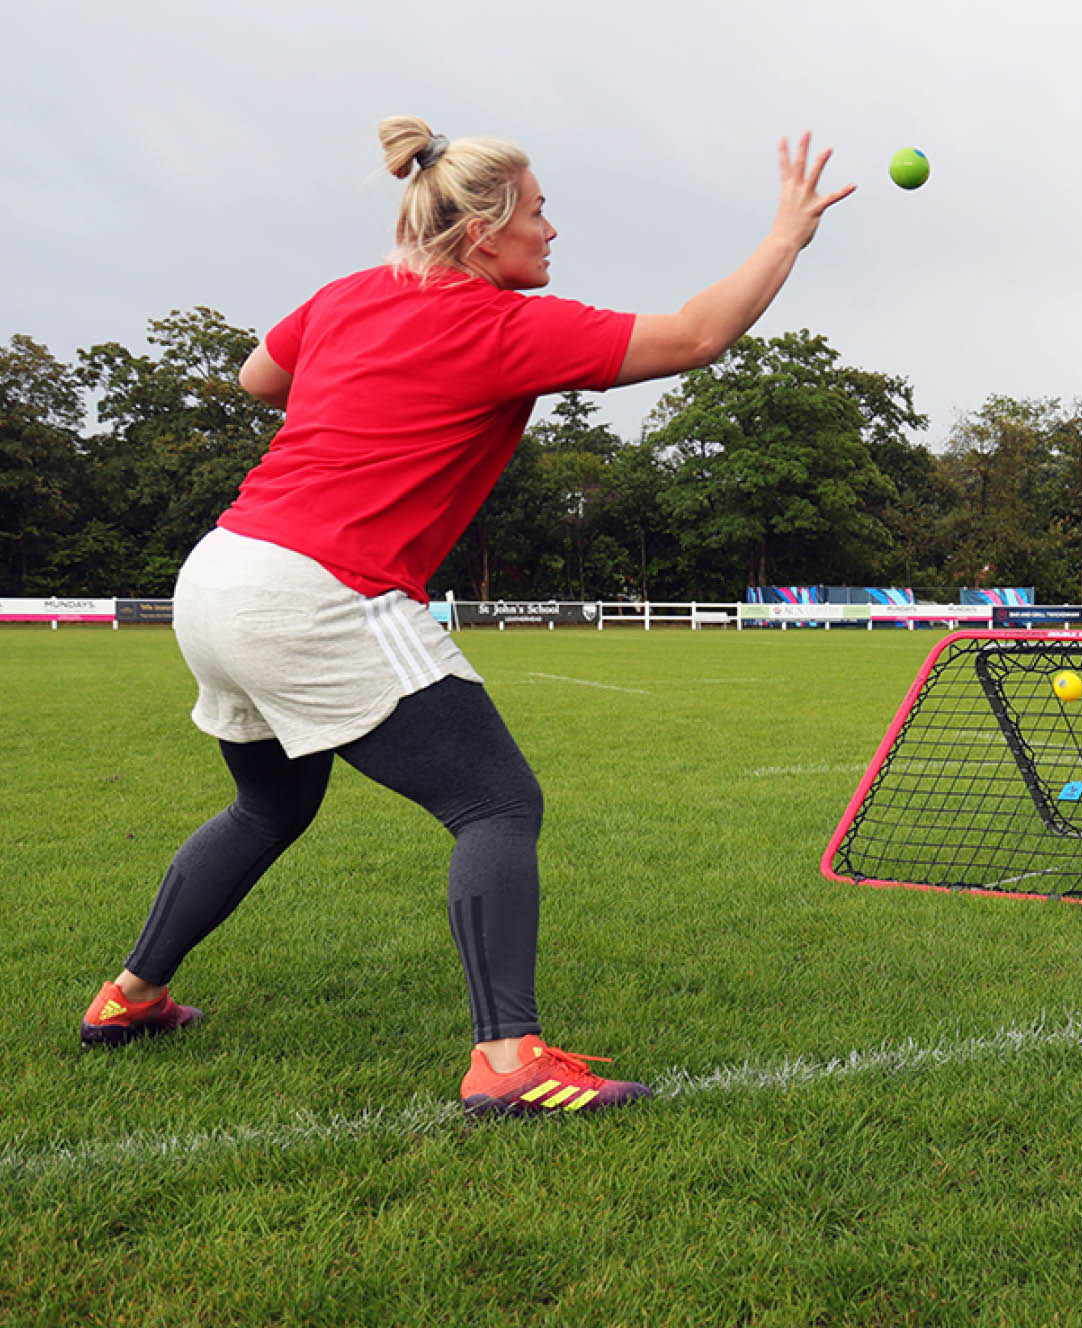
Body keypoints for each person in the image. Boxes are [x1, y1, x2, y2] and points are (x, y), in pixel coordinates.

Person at [79, 115, 854, 1116]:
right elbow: (697, 336)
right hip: (318, 586)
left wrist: (367, 380)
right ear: (483, 233)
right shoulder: (500, 326)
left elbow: (256, 377)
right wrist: (785, 234)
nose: (552, 232)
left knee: (270, 805)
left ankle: (129, 994)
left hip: (221, 571)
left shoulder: (351, 295)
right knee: (495, 803)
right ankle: (505, 1059)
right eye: (537, 214)